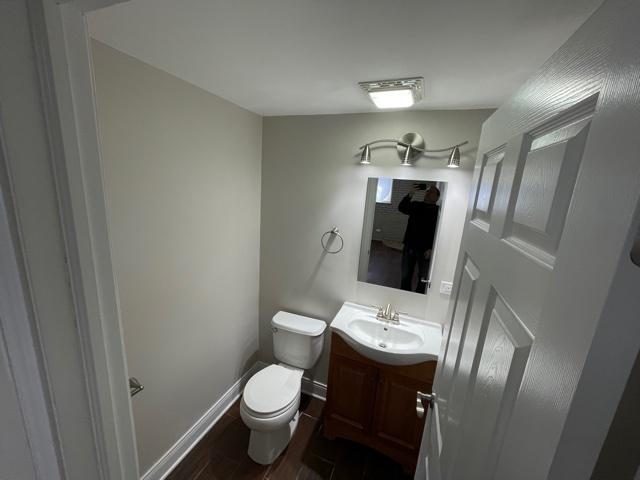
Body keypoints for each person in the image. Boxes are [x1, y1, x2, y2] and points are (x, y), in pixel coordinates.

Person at [398, 184, 440, 293]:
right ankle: (404, 296)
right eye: (427, 191)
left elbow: (439, 232)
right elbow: (401, 207)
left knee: (423, 279)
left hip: (426, 250)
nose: (427, 193)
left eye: (431, 192)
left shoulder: (438, 211)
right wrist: (411, 194)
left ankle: (418, 300)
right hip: (409, 247)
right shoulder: (416, 205)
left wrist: (432, 248)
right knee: (405, 276)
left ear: (437, 197)